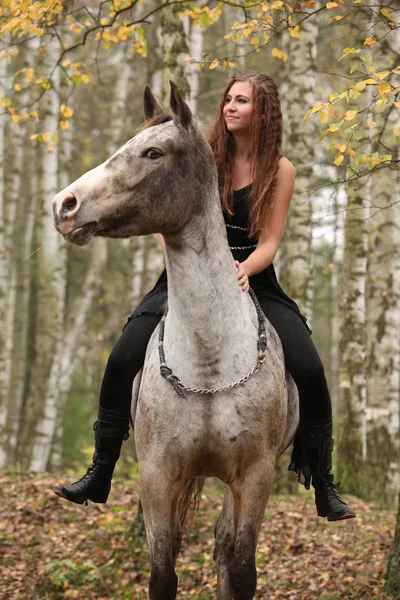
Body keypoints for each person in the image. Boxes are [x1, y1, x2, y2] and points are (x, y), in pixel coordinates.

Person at [54, 70, 355, 522]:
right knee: (121, 357)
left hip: (251, 277)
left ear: (264, 112)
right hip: (184, 278)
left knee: (310, 366)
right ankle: (100, 470)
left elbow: (271, 241)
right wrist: (182, 272)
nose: (230, 106)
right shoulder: (201, 157)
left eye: (242, 101)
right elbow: (162, 212)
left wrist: (243, 269)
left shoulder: (281, 170)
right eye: (229, 99)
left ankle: (324, 483)